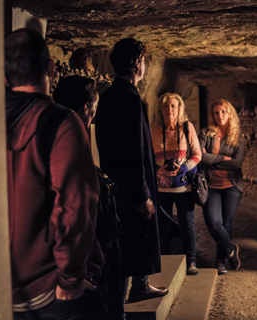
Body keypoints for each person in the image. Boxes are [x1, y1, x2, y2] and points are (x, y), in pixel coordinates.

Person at [0, 28, 105, 319]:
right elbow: (76, 206)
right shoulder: (64, 124)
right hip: (51, 290)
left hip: (0, 287)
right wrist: (70, 280)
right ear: (51, 68)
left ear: (5, 77)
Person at [94, 38, 168, 303]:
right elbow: (134, 151)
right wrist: (142, 194)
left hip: (115, 185)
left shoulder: (107, 97)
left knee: (125, 243)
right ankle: (124, 301)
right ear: (137, 62)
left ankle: (132, 290)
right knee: (133, 242)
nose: (145, 65)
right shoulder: (129, 98)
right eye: (144, 60)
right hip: (131, 189)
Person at [53, 75, 124, 320]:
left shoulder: (47, 135)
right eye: (94, 107)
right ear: (87, 107)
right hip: (87, 264)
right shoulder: (72, 140)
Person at [150, 93, 202, 276]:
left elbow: (197, 153)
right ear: (160, 109)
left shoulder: (187, 128)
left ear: (179, 109)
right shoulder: (154, 129)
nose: (170, 110)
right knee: (162, 224)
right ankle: (161, 261)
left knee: (187, 223)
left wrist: (183, 167)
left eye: (173, 106)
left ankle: (191, 261)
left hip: (183, 185)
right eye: (166, 106)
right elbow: (148, 157)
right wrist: (159, 168)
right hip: (162, 185)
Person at [199, 99, 244, 275]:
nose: (220, 116)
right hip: (210, 185)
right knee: (214, 223)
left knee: (226, 223)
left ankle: (221, 261)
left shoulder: (237, 137)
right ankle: (231, 249)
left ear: (230, 113)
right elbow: (200, 157)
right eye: (216, 112)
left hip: (231, 186)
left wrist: (212, 159)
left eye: (223, 112)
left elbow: (237, 163)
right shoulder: (206, 133)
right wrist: (223, 159)